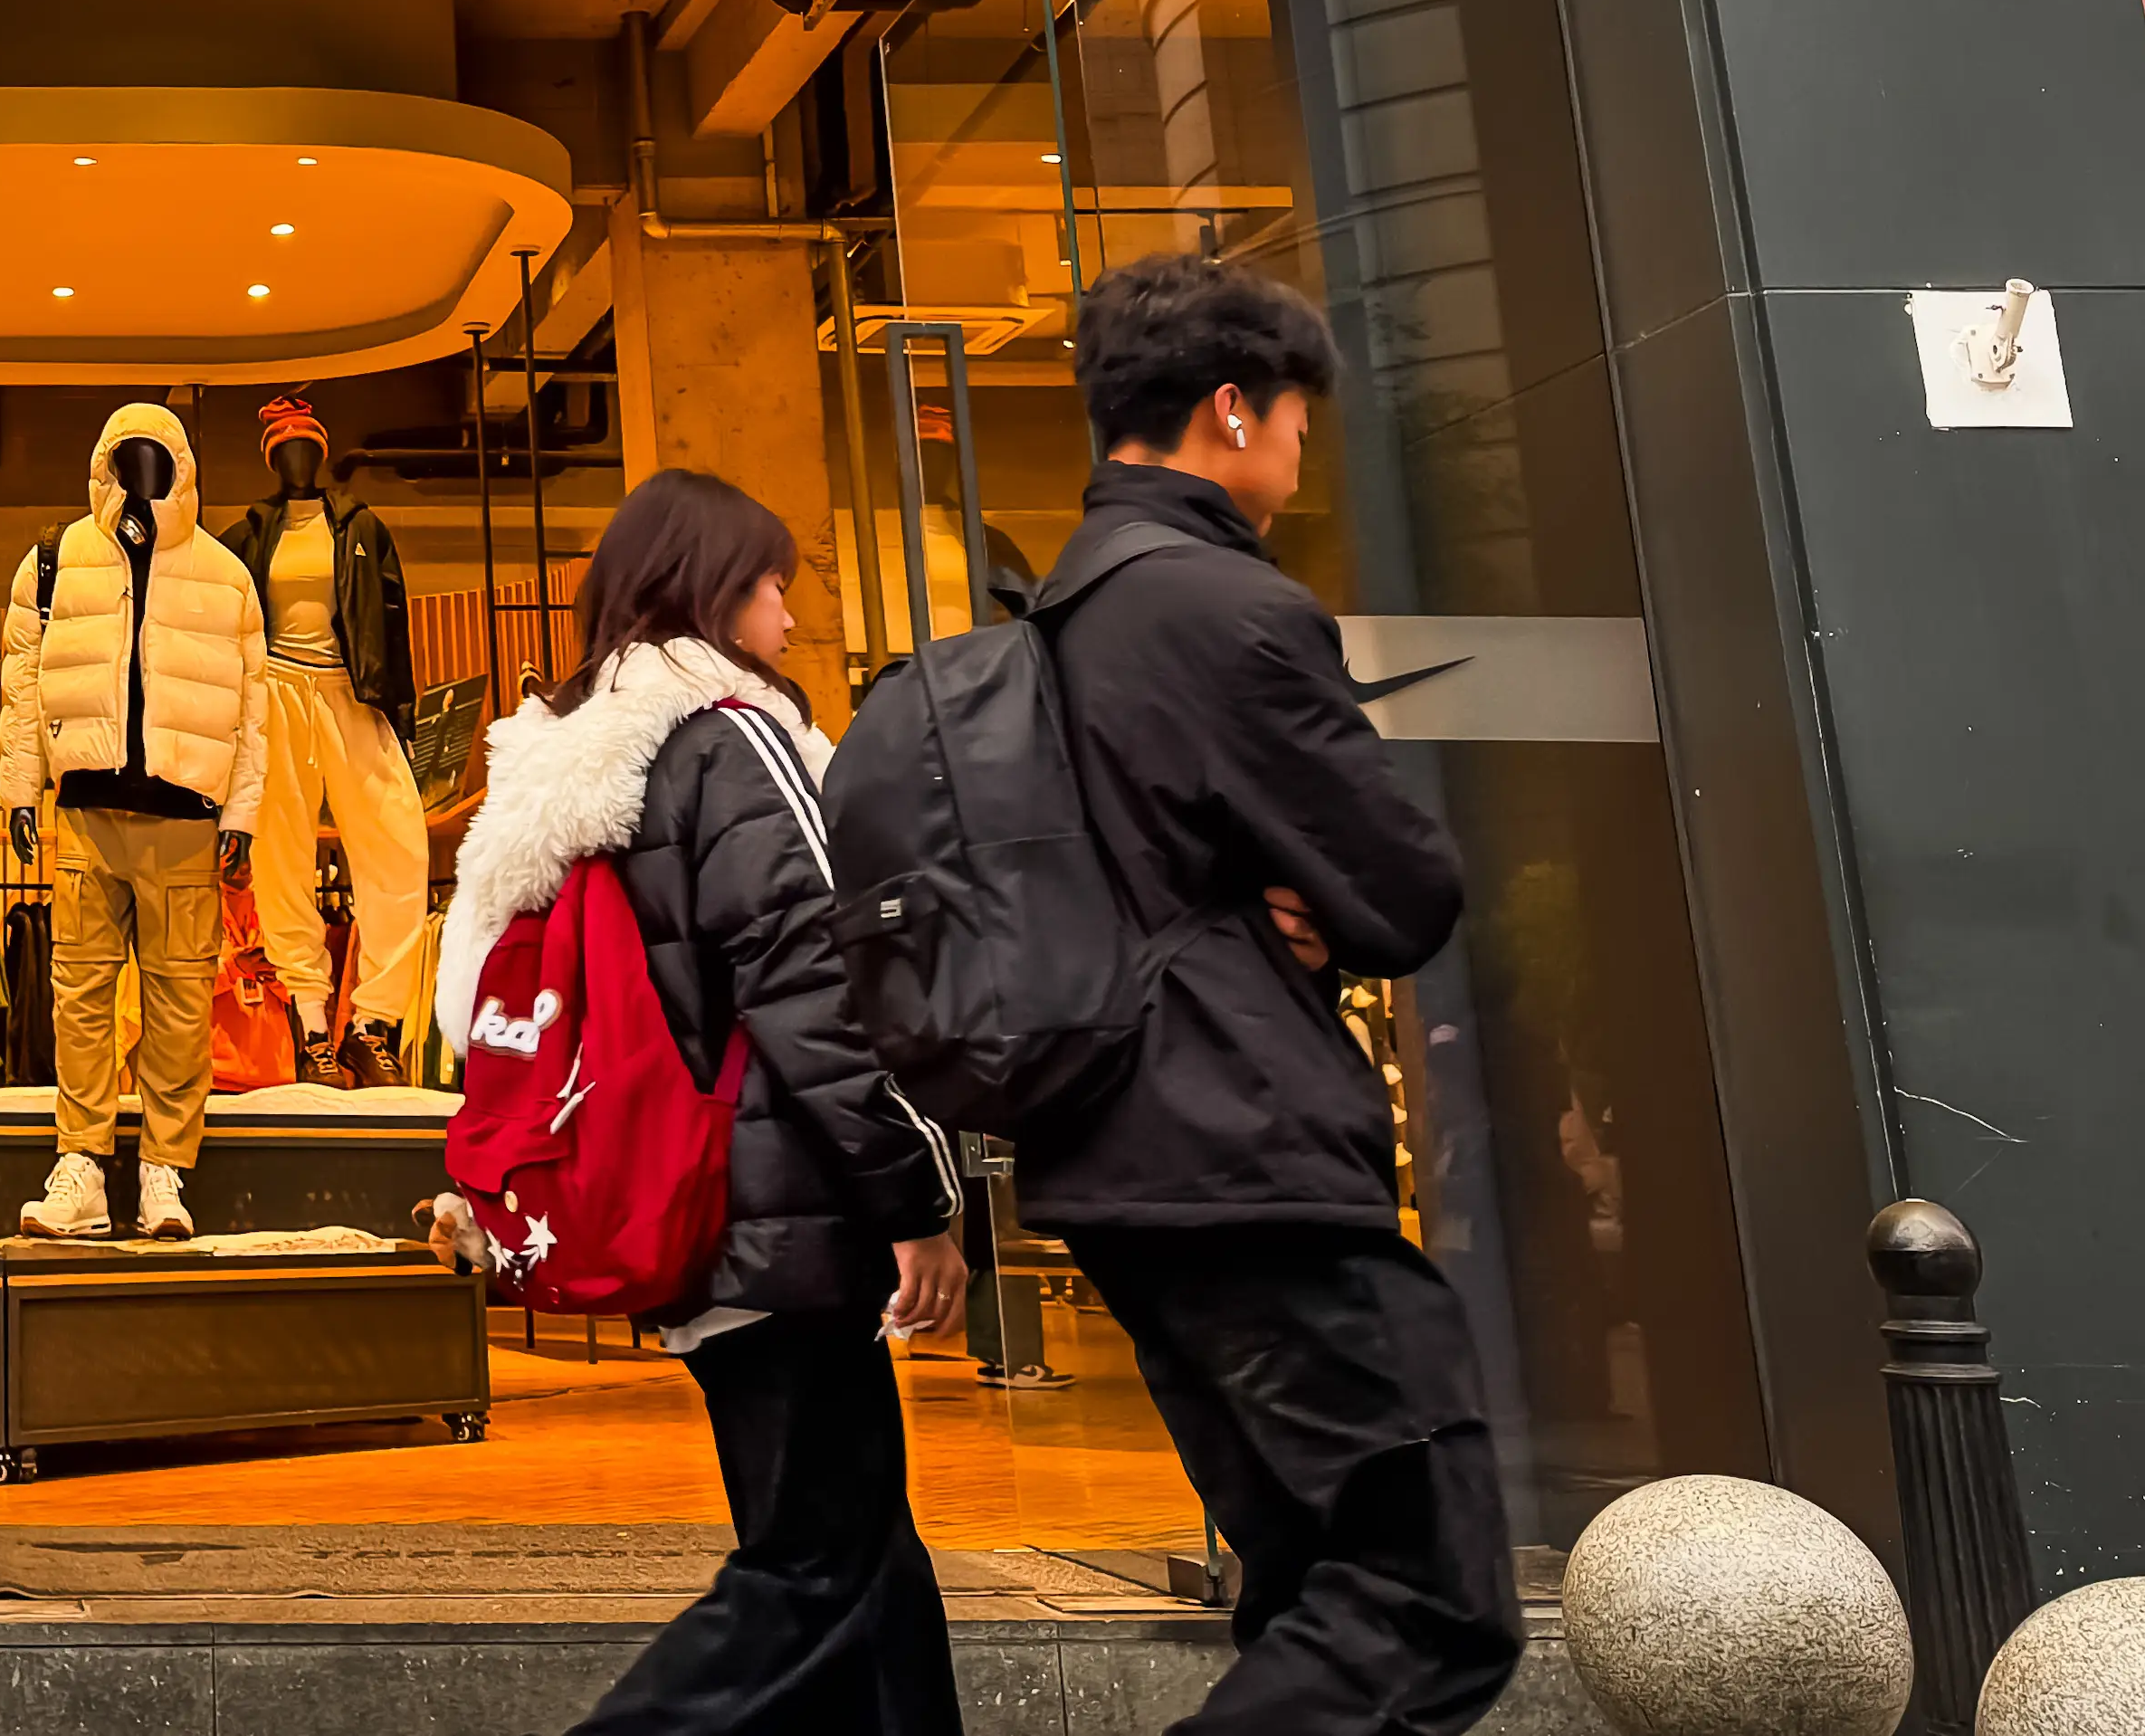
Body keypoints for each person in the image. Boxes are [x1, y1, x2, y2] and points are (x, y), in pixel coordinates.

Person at [1026, 252, 1517, 1734]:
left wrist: (1273, 899)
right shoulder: (1228, 608)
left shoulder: (1060, 611)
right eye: (1299, 415)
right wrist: (1295, 905)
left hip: (1115, 1153)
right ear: (1232, 408)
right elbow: (1403, 889)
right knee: (1429, 1594)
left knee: (1311, 1580)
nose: (1304, 451)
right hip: (1243, 1150)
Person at [439, 469, 967, 1736]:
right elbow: (821, 985)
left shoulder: (555, 773)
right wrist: (917, 1196)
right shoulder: (731, 737)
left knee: (863, 1562)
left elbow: (471, 1009)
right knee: (814, 1565)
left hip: (683, 1206)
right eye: (773, 581)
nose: (788, 612)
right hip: (781, 1208)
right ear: (713, 588)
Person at [0, 402, 267, 1245]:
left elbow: (253, 705)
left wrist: (244, 808)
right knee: (78, 996)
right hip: (86, 810)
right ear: (104, 464)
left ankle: (163, 1167)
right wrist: (19, 787)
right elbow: (21, 682)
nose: (139, 471)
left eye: (156, 457)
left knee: (180, 999)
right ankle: (80, 1162)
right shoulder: (54, 560)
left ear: (181, 467)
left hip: (186, 813)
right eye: (127, 457)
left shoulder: (225, 574)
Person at [214, 392, 431, 1086]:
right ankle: (311, 1027)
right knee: (280, 860)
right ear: (271, 458)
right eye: (284, 448)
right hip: (275, 691)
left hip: (350, 689)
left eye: (306, 446)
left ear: (322, 452)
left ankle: (372, 1024)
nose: (297, 458)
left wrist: (401, 714)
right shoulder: (247, 535)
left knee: (398, 846)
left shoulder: (362, 527)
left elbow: (390, 624)